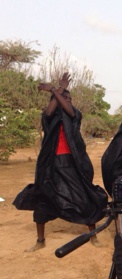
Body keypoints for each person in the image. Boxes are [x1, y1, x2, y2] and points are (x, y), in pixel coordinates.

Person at [13, 73, 108, 252]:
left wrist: (58, 90)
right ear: (54, 99)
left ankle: (92, 235)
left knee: (83, 197)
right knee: (43, 198)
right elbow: (49, 111)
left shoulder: (75, 115)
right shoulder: (48, 116)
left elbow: (70, 111)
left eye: (69, 98)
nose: (67, 101)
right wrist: (59, 90)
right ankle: (40, 241)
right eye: (64, 98)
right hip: (51, 164)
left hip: (73, 164)